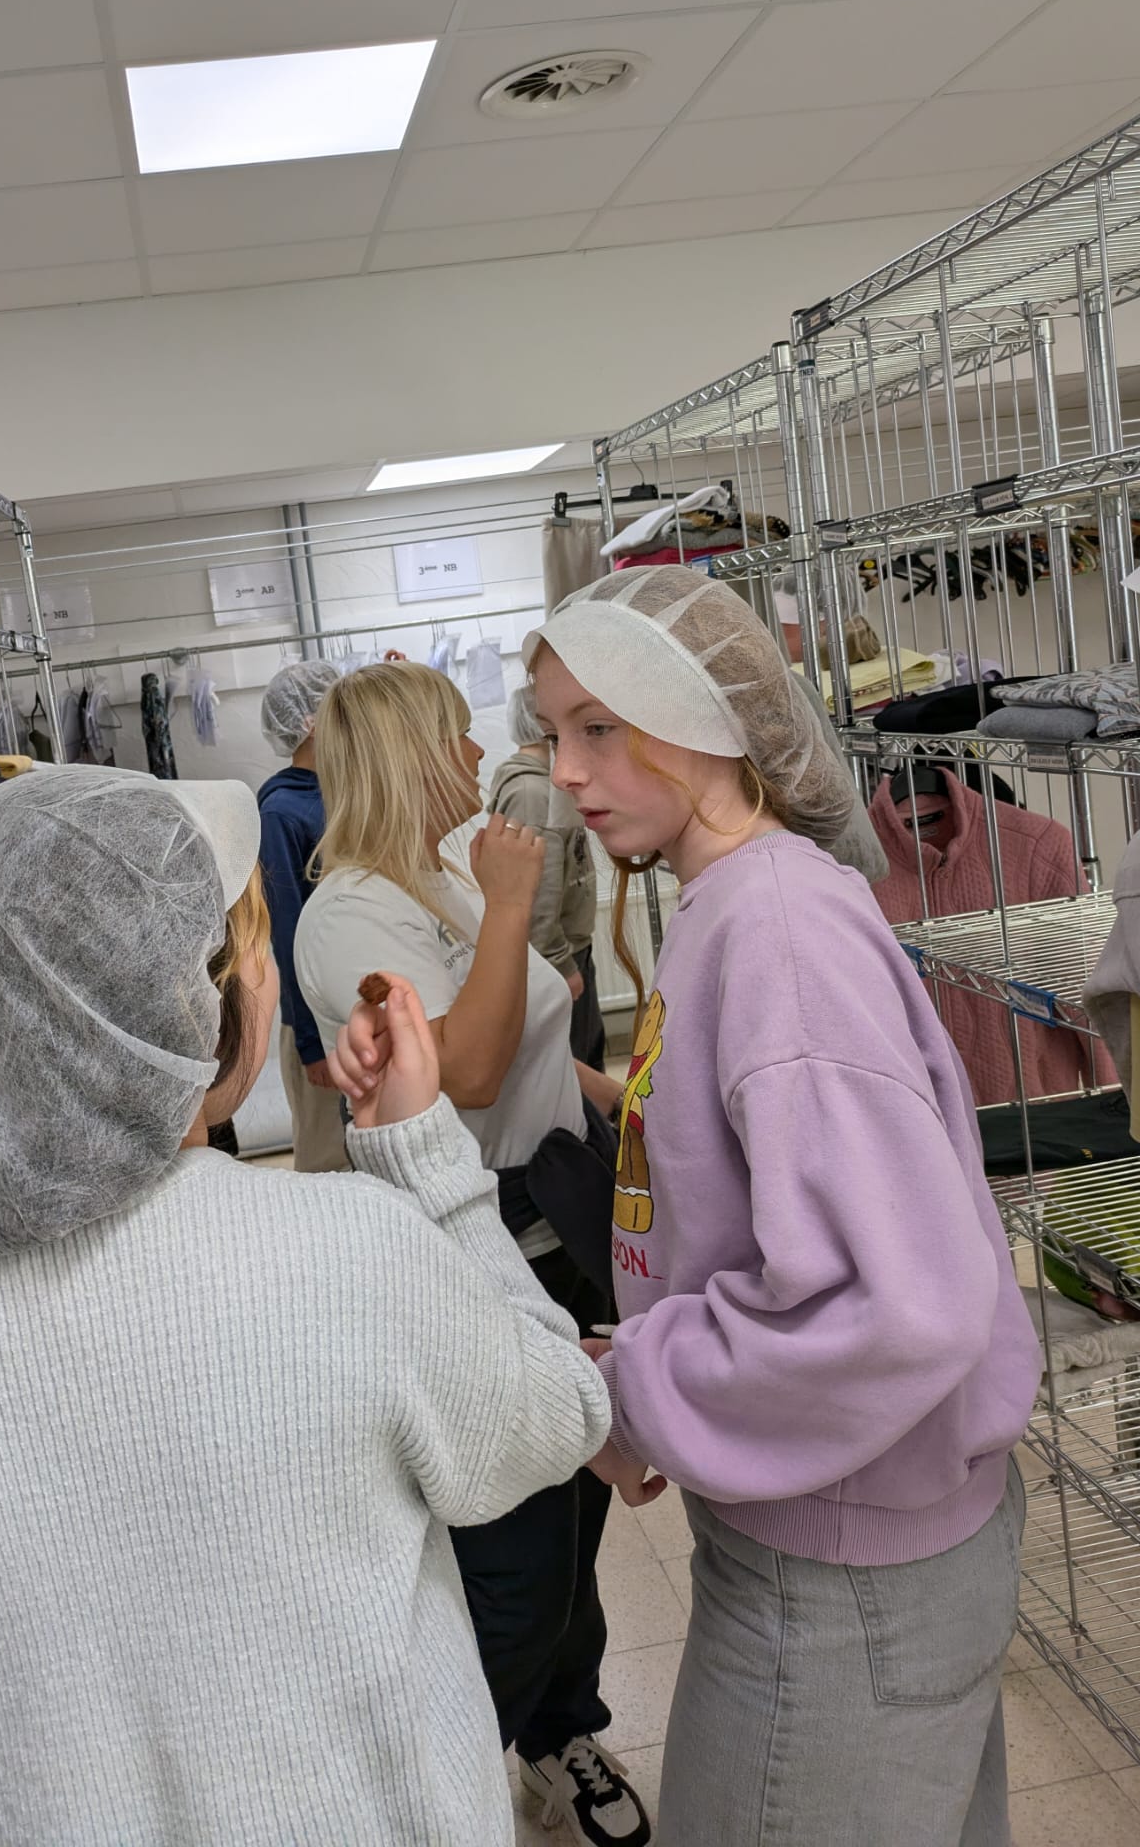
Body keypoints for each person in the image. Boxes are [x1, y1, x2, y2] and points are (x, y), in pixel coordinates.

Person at [0, 768, 611, 1847]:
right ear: (203, 1016)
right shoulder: (346, 1252)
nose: (267, 973)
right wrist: (424, 1157)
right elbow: (556, 1417)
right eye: (251, 948)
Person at [527, 567, 1042, 1847]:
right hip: (851, 1527)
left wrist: (637, 1390)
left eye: (600, 725)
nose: (567, 771)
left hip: (841, 1574)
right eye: (552, 732)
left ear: (707, 717)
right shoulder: (738, 902)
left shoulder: (774, 930)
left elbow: (896, 1300)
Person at [296, 663, 652, 1847]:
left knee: (575, 1529)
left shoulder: (442, 871)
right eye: (453, 736)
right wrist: (509, 905)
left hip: (556, 1222)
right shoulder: (348, 914)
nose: (475, 756)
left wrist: (627, 1099)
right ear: (409, 754)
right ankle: (421, 1800)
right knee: (518, 1566)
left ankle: (561, 1735)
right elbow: (470, 1075)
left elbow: (538, 1040)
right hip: (469, 1252)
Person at [257, 659, 347, 1171]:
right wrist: (312, 1045)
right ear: (312, 721)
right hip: (316, 1016)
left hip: (355, 1005)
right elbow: (287, 931)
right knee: (327, 1155)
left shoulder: (343, 792)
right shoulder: (281, 813)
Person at [490, 683, 607, 1072]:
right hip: (558, 958)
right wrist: (562, 965)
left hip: (569, 951)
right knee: (578, 1071)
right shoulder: (532, 794)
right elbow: (536, 894)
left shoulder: (545, 786)